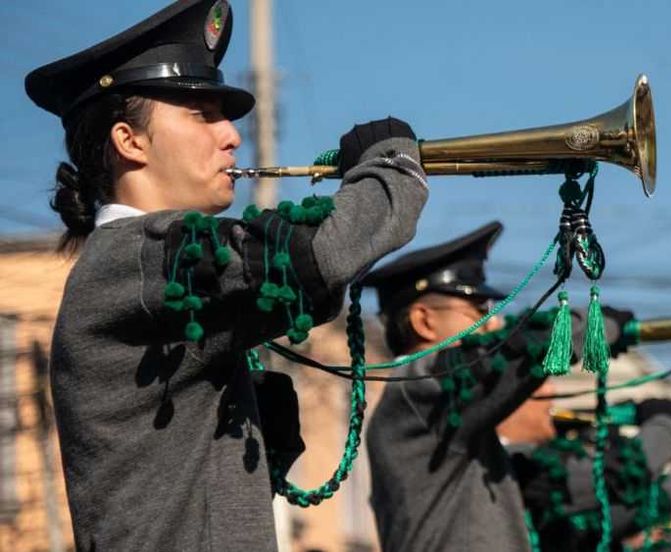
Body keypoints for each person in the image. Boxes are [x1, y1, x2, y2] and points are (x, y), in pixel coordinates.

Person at [25, 1, 427, 550]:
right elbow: (317, 255)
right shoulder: (140, 257)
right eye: (203, 114)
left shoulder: (148, 264)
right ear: (129, 141)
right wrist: (391, 167)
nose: (233, 136)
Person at [363, 221, 635, 552]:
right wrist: (596, 325)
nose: (493, 322)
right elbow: (511, 356)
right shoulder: (417, 388)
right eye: (477, 310)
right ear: (424, 321)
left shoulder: (434, 401)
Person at [505, 396, 671, 551]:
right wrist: (663, 420)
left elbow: (620, 513)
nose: (551, 393)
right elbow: (626, 477)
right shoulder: (512, 464)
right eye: (537, 392)